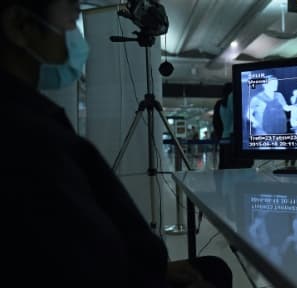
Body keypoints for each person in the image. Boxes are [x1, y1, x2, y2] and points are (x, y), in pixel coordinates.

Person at [1, 1, 232, 287]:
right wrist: (150, 270)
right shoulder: (29, 134)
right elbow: (86, 251)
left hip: (116, 267)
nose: (75, 35)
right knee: (215, 271)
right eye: (71, 20)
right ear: (19, 26)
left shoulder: (30, 117)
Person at [213, 82, 253, 169]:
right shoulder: (233, 98)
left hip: (224, 139)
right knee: (239, 167)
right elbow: (240, 117)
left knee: (225, 166)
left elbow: (216, 123)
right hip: (233, 139)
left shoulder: (219, 104)